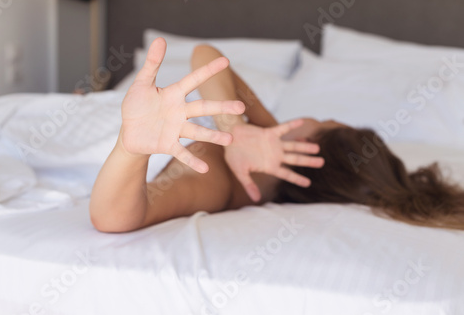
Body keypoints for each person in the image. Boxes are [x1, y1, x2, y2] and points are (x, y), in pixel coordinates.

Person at [87, 38, 462, 233]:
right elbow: (208, 57)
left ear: (303, 145)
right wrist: (237, 128)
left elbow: (114, 218)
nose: (309, 115)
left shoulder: (217, 182)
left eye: (321, 119)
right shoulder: (262, 127)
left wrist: (130, 147)